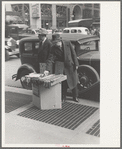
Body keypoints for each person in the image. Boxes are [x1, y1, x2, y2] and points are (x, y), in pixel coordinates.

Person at [44, 34, 79, 102]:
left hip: (70, 65)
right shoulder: (53, 48)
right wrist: (47, 70)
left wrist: (76, 64)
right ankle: (63, 97)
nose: (56, 44)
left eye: (57, 42)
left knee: (74, 81)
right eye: (54, 43)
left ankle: (75, 97)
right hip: (62, 67)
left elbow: (73, 53)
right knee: (64, 82)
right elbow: (50, 59)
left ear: (60, 40)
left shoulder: (67, 43)